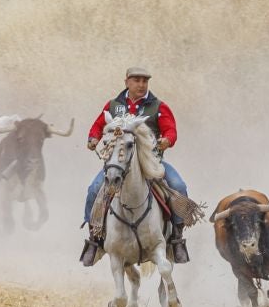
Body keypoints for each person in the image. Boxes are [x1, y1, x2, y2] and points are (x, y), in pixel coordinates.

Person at [81, 66, 192, 266]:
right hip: (119, 162)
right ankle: (94, 240)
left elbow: (171, 130)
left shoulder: (158, 107)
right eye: (137, 80)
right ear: (127, 82)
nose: (141, 85)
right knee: (94, 190)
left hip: (151, 162)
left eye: (144, 81)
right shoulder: (113, 105)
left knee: (179, 186)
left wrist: (166, 140)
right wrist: (93, 138)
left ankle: (177, 238)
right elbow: (98, 125)